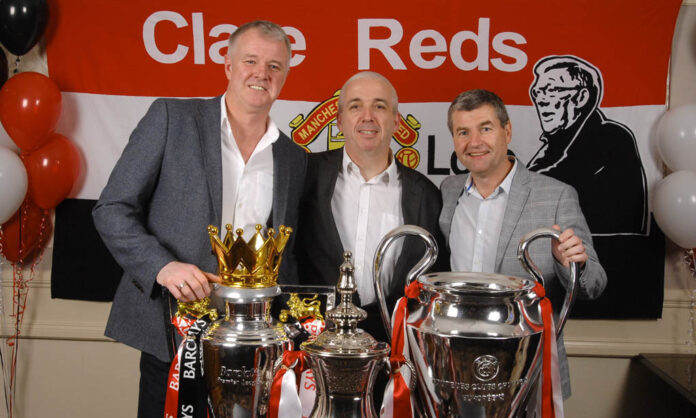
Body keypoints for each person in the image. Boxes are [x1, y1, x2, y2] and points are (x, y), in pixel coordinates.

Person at [92, 21, 306, 417]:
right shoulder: (173, 117)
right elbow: (112, 208)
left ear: (286, 76)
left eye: (275, 66)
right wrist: (163, 266)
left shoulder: (293, 158)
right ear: (227, 65)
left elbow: (286, 256)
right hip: (173, 334)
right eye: (251, 61)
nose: (262, 73)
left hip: (254, 345)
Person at [439, 89, 607, 401]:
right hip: (456, 367)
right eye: (463, 132)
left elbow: (595, 285)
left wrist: (571, 263)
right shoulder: (448, 191)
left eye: (485, 128)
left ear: (507, 130)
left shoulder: (556, 195)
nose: (474, 142)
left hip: (529, 369)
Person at [294, 71, 447, 343]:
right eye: (355, 106)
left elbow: (435, 279)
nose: (368, 116)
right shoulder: (303, 175)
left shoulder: (425, 194)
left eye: (379, 106)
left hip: (393, 347)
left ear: (396, 121)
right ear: (340, 120)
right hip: (313, 345)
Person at [527, 55, 648, 235]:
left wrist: (499, 172)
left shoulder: (609, 136)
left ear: (581, 97)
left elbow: (550, 183)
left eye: (551, 90)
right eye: (537, 92)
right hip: (562, 252)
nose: (541, 100)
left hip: (602, 255)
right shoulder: (555, 142)